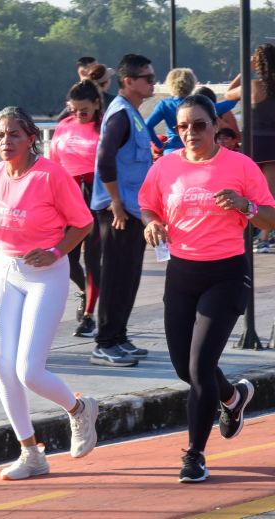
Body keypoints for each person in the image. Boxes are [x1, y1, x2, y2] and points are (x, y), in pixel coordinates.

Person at [0, 106, 98, 480]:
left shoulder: (51, 176)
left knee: (29, 371)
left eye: (14, 134)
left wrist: (55, 252)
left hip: (46, 275)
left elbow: (83, 223)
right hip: (6, 270)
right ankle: (31, 454)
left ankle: (79, 410)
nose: (6, 141)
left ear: (31, 138)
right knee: (2, 365)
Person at [139, 95, 275, 483]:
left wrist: (244, 205)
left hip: (226, 274)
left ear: (216, 126)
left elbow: (271, 218)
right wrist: (151, 223)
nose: (190, 133)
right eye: (182, 126)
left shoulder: (240, 166)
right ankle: (232, 397)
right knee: (183, 367)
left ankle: (194, 455)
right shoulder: (165, 166)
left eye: (199, 125)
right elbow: (148, 205)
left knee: (200, 366)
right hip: (181, 274)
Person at [89, 53, 156, 367]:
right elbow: (104, 160)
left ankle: (119, 335)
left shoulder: (133, 113)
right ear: (129, 81)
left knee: (129, 276)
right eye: (148, 78)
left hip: (134, 209)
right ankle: (104, 342)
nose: (153, 83)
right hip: (119, 211)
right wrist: (115, 201)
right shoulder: (120, 114)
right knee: (115, 276)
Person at [225, 43, 275, 251]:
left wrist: (244, 69)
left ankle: (244, 232)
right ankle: (264, 237)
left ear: (258, 65)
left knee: (244, 188)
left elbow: (228, 94)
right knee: (268, 193)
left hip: (252, 142)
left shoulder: (252, 86)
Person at [50, 80, 103, 337]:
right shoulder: (64, 126)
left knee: (92, 258)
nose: (78, 114)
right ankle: (84, 291)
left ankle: (89, 316)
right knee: (65, 255)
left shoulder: (104, 127)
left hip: (95, 195)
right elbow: (53, 162)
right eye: (73, 109)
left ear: (96, 104)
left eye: (84, 110)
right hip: (67, 195)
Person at [146, 68, 198, 155]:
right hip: (194, 147)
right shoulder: (199, 103)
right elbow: (219, 108)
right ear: (191, 83)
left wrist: (159, 144)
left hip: (172, 149)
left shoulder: (164, 105)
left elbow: (147, 125)